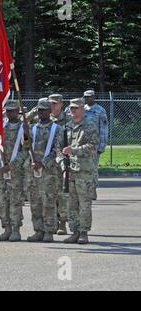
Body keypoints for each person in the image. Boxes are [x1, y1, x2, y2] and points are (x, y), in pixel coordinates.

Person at [57, 98, 99, 244]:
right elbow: (59, 150)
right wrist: (62, 165)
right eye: (71, 108)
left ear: (82, 109)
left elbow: (93, 146)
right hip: (69, 171)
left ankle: (83, 232)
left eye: (76, 108)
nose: (73, 110)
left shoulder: (90, 126)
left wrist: (73, 150)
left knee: (84, 203)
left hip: (84, 171)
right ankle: (74, 231)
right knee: (71, 204)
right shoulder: (66, 127)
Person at [0, 100, 28, 242]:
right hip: (1, 170)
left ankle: (15, 230)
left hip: (16, 171)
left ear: (18, 111)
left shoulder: (23, 128)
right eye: (7, 110)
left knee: (15, 201)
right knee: (3, 200)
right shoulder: (1, 128)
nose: (9, 113)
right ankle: (6, 229)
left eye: (12, 110)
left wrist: (11, 165)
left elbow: (26, 150)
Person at [26, 98, 62, 242]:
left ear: (50, 111)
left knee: (49, 203)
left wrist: (43, 163)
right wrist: (24, 132)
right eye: (39, 110)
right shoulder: (32, 128)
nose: (41, 112)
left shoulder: (57, 128)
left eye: (44, 110)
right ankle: (38, 230)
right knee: (35, 203)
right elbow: (25, 146)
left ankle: (49, 231)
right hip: (33, 172)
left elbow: (58, 150)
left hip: (49, 172)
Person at [48, 93, 69, 235]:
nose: (53, 106)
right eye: (50, 103)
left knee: (62, 194)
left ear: (61, 104)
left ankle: (62, 223)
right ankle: (52, 222)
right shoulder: (43, 118)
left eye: (55, 103)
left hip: (62, 162)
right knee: (49, 194)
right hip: (47, 163)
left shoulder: (67, 121)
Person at [83, 90, 108, 200]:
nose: (87, 99)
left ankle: (92, 190)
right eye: (85, 97)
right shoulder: (81, 109)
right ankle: (84, 190)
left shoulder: (100, 110)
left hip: (95, 144)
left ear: (93, 97)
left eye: (89, 97)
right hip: (82, 144)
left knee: (93, 168)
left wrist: (102, 145)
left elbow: (104, 128)